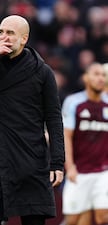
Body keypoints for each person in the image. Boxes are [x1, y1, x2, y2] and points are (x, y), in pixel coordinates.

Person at [0, 15, 65, 225]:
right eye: (0, 32)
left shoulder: (42, 71)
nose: (3, 37)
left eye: (10, 33)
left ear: (24, 39)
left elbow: (54, 118)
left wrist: (57, 163)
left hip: (30, 158)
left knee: (34, 219)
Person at [62, 62, 108, 225]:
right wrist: (70, 166)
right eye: (96, 74)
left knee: (103, 217)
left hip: (104, 172)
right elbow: (66, 136)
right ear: (86, 78)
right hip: (79, 172)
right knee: (75, 220)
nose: (101, 78)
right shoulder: (74, 102)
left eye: (103, 75)